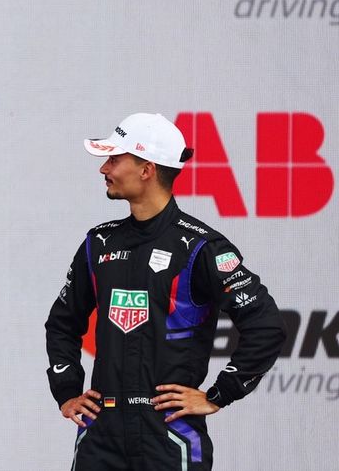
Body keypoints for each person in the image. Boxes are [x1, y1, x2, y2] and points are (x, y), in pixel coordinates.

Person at [45, 113, 286, 470]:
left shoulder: (201, 247)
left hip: (168, 435)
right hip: (101, 434)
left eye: (114, 159)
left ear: (147, 169)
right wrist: (67, 391)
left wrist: (221, 393)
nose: (104, 169)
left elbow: (266, 325)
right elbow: (62, 323)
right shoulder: (98, 243)